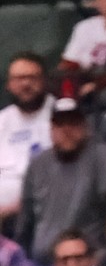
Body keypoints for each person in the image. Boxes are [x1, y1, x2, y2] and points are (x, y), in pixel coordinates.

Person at [18, 98, 106, 263]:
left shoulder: (105, 158)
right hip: (43, 262)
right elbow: (26, 218)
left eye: (73, 123)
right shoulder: (38, 164)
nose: (67, 130)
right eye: (60, 124)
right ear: (51, 129)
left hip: (89, 260)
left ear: (85, 126)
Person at [0, 54, 52, 222]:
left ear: (44, 81)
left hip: (45, 214)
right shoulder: (2, 120)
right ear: (8, 85)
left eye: (32, 77)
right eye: (18, 78)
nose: (25, 84)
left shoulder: (62, 117)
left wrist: (13, 209)